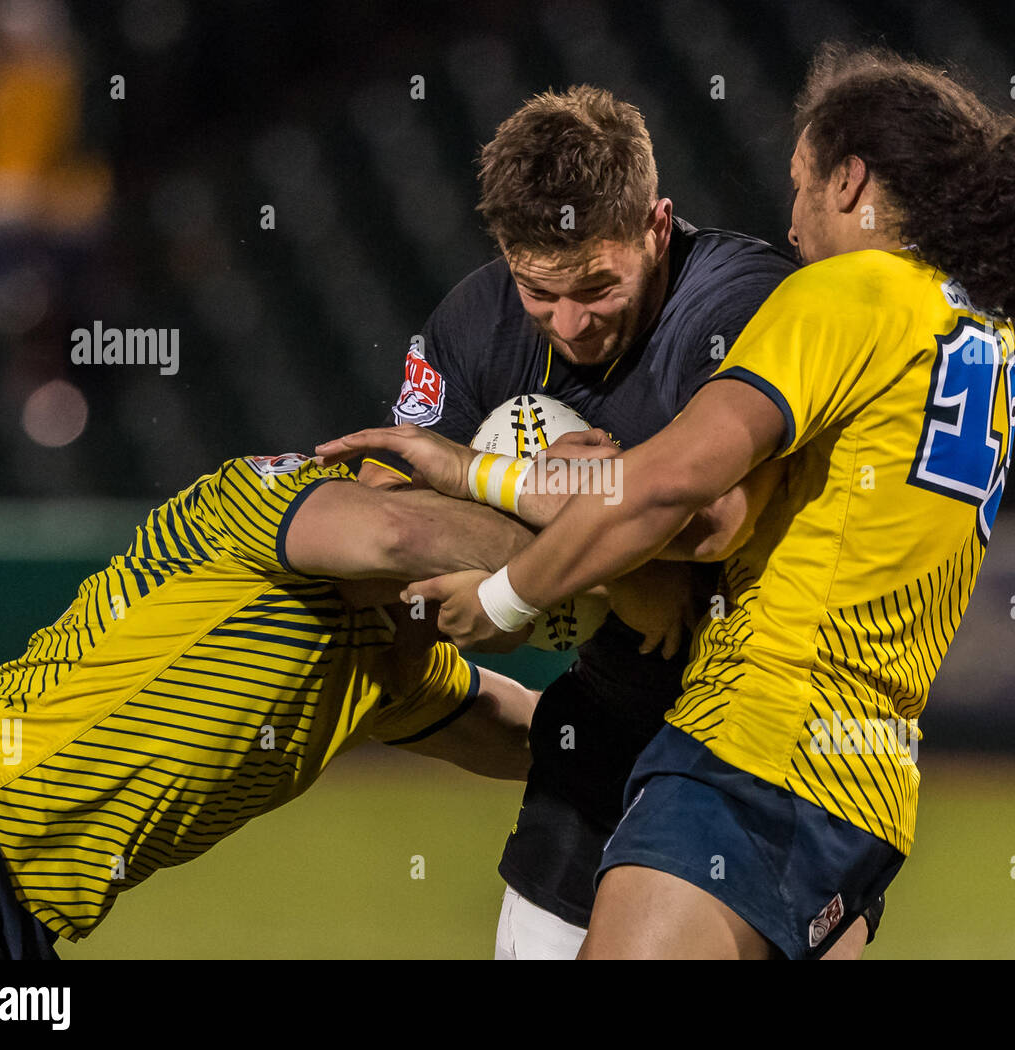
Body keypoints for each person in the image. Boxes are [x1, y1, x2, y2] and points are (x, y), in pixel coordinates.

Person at [329, 44, 1015, 958]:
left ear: (849, 180)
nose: (790, 224)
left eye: (798, 184)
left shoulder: (839, 293)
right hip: (868, 775)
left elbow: (670, 488)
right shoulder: (975, 330)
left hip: (757, 741)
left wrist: (505, 574)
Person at [318, 85, 878, 957]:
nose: (571, 324)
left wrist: (516, 520)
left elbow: (710, 523)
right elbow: (391, 517)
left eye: (597, 287)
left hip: (773, 743)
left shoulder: (746, 304)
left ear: (656, 227)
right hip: (611, 723)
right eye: (540, 291)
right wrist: (618, 574)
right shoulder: (475, 324)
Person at [0, 451, 542, 960]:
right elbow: (397, 532)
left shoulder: (396, 668)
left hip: (16, 912)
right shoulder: (250, 504)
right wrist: (571, 558)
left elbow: (548, 739)